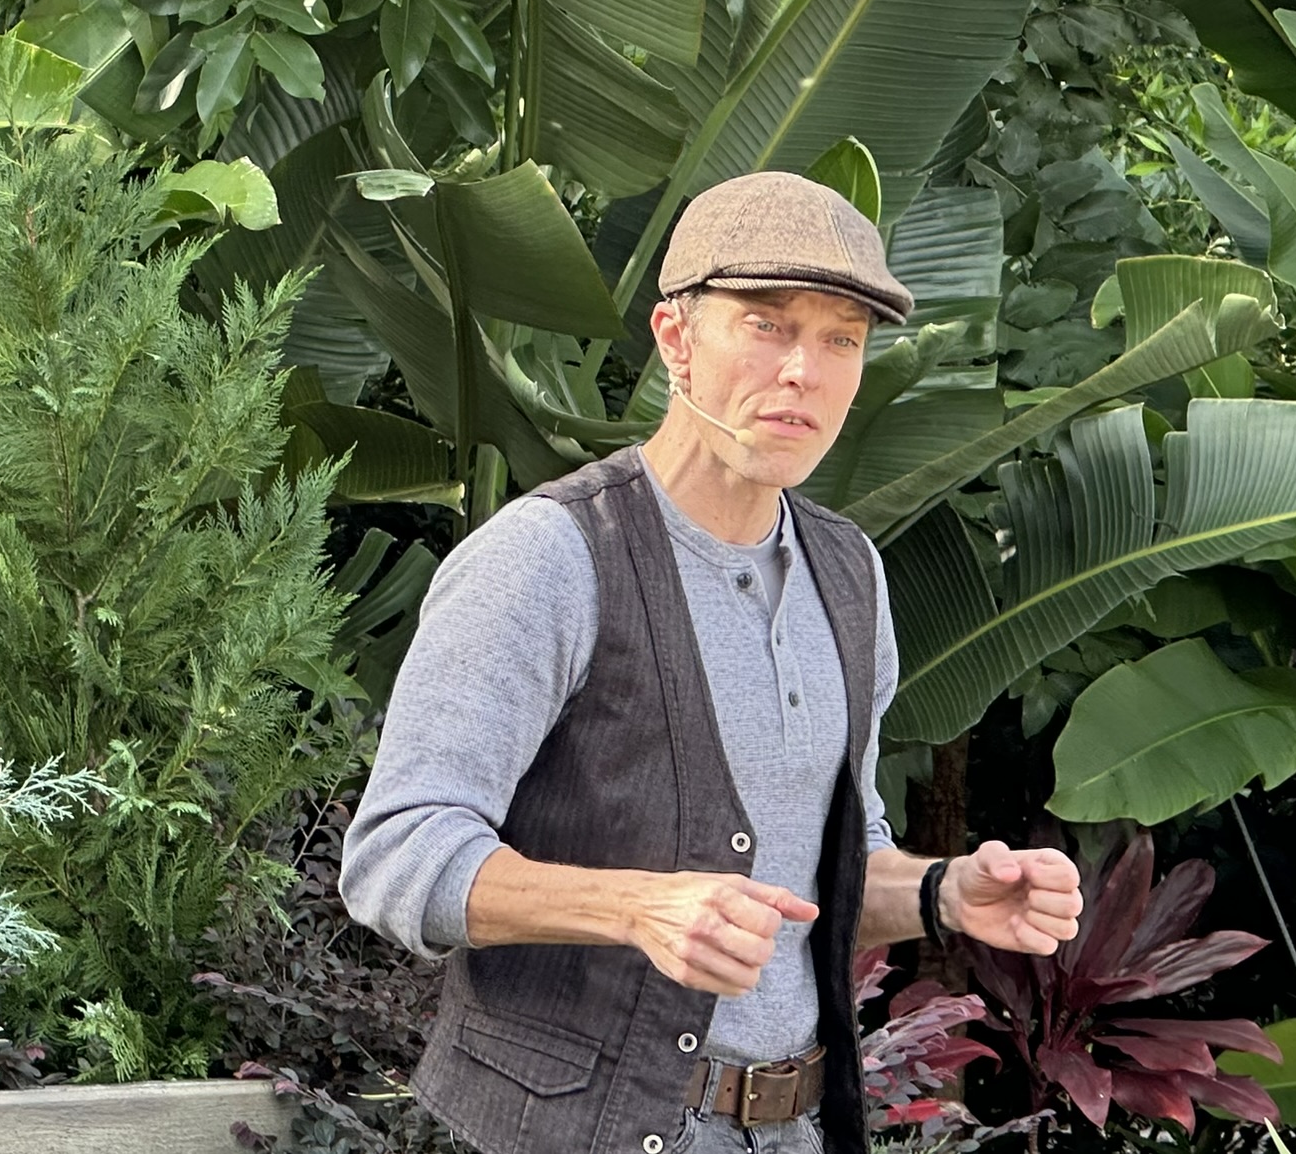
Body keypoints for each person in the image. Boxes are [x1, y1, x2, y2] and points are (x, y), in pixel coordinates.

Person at [339, 170, 1084, 1154]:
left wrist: (947, 891)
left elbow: (826, 872)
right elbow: (394, 855)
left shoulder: (849, 573)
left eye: (840, 339)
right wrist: (635, 905)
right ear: (676, 338)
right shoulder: (550, 557)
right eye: (768, 324)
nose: (803, 372)